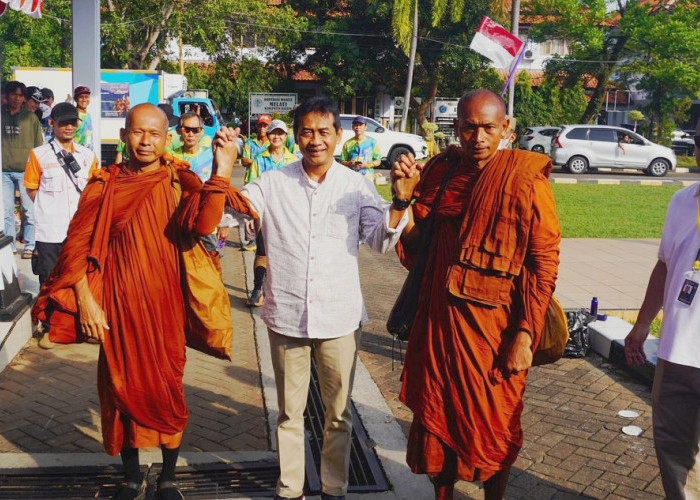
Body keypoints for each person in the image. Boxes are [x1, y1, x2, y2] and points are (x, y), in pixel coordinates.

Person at [31, 103, 254, 500]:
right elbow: (75, 249)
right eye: (138, 132)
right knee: (119, 391)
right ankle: (132, 477)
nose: (146, 141)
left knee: (168, 390)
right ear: (123, 136)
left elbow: (204, 225)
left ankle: (168, 477)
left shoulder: (179, 181)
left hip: (166, 307)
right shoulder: (104, 185)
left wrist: (222, 171)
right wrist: (86, 300)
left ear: (167, 139)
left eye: (155, 134)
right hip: (117, 307)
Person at [239, 97, 418, 500]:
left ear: (338, 135)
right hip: (287, 315)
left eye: (324, 132)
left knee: (338, 414)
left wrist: (400, 202)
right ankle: (290, 489)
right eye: (307, 132)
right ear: (296, 136)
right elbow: (236, 211)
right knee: (289, 413)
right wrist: (221, 174)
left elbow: (380, 241)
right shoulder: (272, 183)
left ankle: (334, 489)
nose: (315, 140)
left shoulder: (355, 185)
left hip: (339, 318)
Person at [395, 89, 560, 500]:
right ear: (456, 128)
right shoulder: (441, 172)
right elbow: (416, 245)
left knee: (496, 423)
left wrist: (526, 335)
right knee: (435, 418)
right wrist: (402, 197)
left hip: (495, 329)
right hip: (438, 323)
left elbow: (543, 264)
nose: (479, 138)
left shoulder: (525, 179)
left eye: (488, 128)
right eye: (469, 128)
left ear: (505, 128)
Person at [624, 119, 700, 499]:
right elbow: (666, 265)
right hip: (675, 354)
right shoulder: (682, 201)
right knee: (672, 455)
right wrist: (641, 325)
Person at [23, 102, 98, 349]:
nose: (68, 127)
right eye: (63, 122)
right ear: (51, 123)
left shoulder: (88, 156)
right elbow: (31, 188)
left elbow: (94, 191)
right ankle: (49, 326)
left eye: (72, 122)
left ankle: (81, 325)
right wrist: (49, 209)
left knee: (83, 277)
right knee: (50, 278)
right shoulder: (39, 154)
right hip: (50, 230)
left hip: (80, 230)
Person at [244, 119, 298, 307]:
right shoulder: (259, 160)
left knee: (286, 253)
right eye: (273, 133)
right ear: (268, 135)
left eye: (280, 133)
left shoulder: (294, 161)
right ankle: (257, 289)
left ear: (286, 136)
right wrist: (250, 215)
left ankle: (281, 291)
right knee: (262, 251)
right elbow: (251, 188)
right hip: (264, 213)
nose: (277, 137)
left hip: (287, 214)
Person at [1, 81, 43, 258]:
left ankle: (29, 245)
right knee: (6, 211)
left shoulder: (31, 118)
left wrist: (38, 170)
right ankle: (9, 245)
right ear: (7, 95)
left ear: (24, 98)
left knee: (29, 210)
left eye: (20, 95)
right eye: (14, 94)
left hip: (26, 171)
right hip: (3, 171)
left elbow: (39, 146)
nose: (17, 98)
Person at [240, 114, 271, 252]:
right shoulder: (249, 143)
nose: (262, 128)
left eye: (265, 126)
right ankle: (251, 240)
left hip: (267, 182)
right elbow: (244, 161)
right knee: (250, 210)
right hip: (251, 180)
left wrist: (253, 160)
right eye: (260, 125)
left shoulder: (272, 143)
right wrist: (258, 161)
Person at [339, 115, 382, 183]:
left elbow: (378, 161)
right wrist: (350, 163)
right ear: (352, 127)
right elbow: (342, 161)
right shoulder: (348, 144)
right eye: (356, 125)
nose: (358, 127)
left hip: (368, 179)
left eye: (360, 125)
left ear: (365, 127)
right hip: (352, 180)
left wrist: (367, 165)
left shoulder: (372, 142)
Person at [73, 85, 93, 150]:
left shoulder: (88, 116)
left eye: (86, 97)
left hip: (87, 151)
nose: (84, 100)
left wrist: (92, 152)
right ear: (75, 99)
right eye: (81, 97)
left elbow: (89, 135)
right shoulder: (73, 115)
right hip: (74, 151)